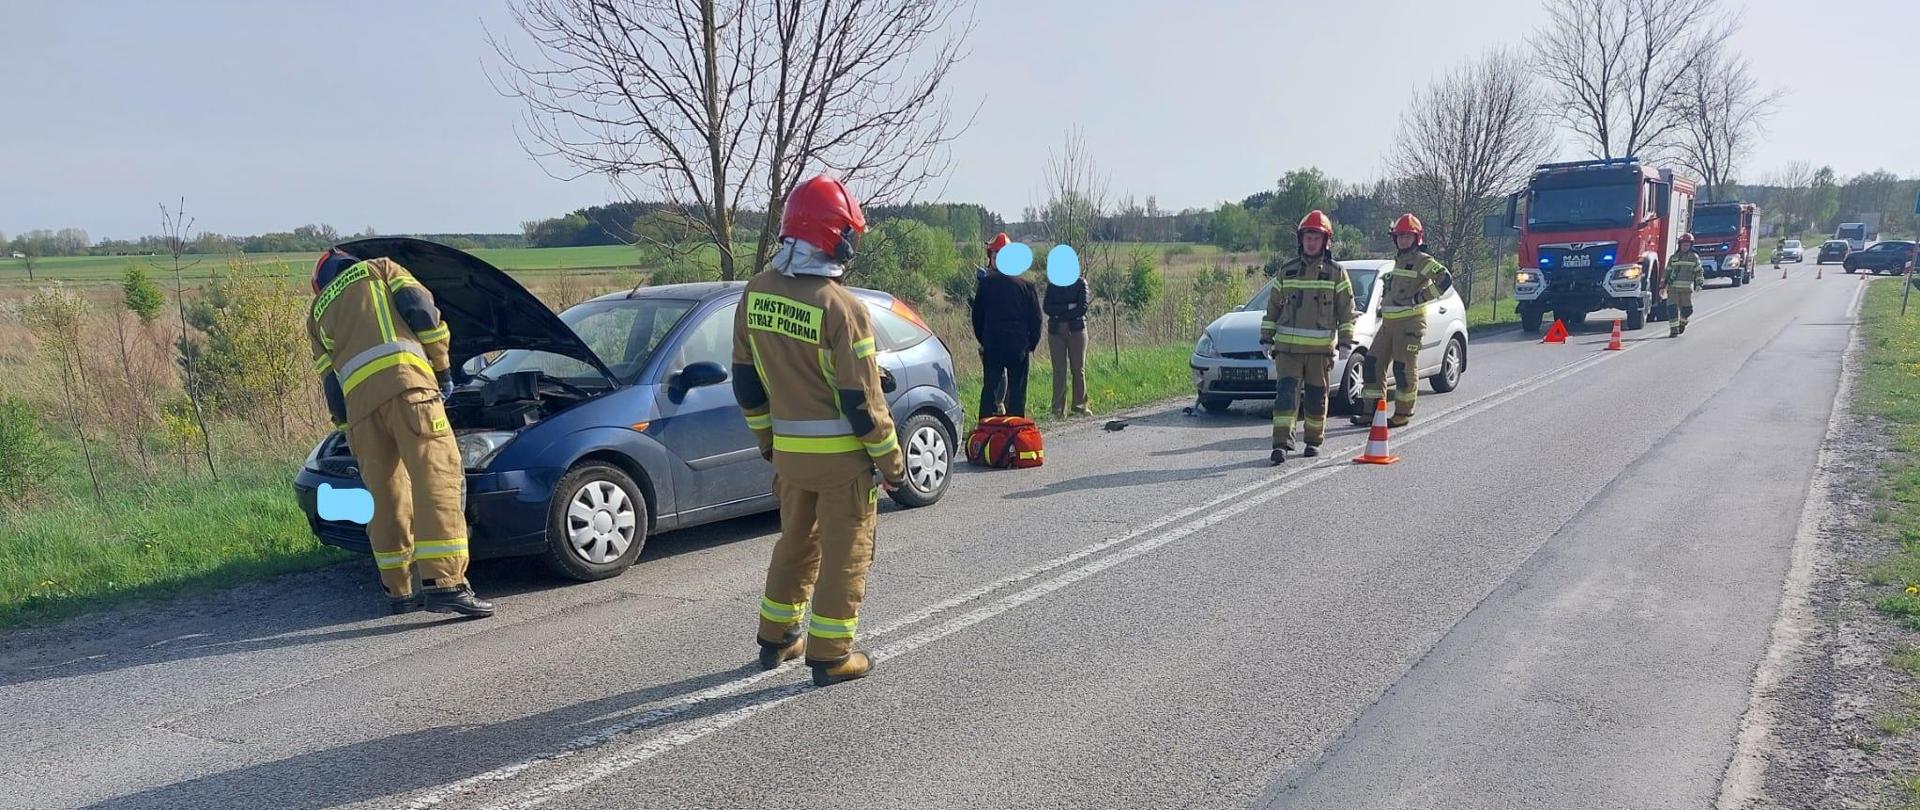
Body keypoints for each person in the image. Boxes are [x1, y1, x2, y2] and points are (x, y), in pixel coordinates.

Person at [732, 175, 906, 687]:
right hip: (842, 465)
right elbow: (862, 403)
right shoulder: (842, 308)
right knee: (846, 554)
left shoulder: (755, 293)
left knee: (796, 544)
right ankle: (831, 656)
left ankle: (777, 637)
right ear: (836, 238)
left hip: (789, 458)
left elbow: (746, 382)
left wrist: (767, 441)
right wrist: (893, 466)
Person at [307, 247, 494, 618]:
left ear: (321, 284)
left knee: (385, 497)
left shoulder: (317, 314)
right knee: (436, 479)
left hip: (361, 415)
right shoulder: (380, 269)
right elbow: (422, 312)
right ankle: (446, 584)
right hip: (409, 389)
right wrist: (442, 369)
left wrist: (348, 427)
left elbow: (331, 382)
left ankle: (400, 590)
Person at [1260, 210, 1356, 465]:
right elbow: (1273, 308)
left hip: (1319, 352)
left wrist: (1346, 341)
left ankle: (1313, 441)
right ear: (1300, 240)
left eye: (1316, 238)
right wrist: (1266, 337)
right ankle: (1281, 444)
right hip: (1288, 351)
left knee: (1316, 397)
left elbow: (1347, 311)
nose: (1311, 243)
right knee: (1285, 397)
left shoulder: (1336, 273)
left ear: (1325, 241)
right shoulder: (1287, 271)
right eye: (1307, 238)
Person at [1353, 214, 1453, 428]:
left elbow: (1445, 279)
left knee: (1403, 368)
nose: (1403, 240)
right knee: (1372, 363)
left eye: (1408, 236)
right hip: (1388, 325)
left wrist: (1420, 298)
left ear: (1417, 238)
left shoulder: (1422, 260)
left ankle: (1402, 413)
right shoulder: (1398, 261)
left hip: (1409, 325)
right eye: (1400, 236)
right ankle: (1372, 412)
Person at [971, 232, 1042, 418]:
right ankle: (1016, 428)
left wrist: (985, 340)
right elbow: (1036, 320)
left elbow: (977, 317)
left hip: (993, 347)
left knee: (990, 390)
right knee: (1017, 394)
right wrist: (1030, 345)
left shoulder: (986, 285)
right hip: (1018, 348)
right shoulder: (1026, 286)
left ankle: (986, 428)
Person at [1043, 266, 1090, 417]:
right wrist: (1069, 307)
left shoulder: (1081, 283)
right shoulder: (1052, 285)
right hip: (1056, 332)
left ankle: (1080, 405)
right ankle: (1057, 409)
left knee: (1078, 368)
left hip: (1077, 330)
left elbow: (1082, 308)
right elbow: (1047, 308)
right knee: (1059, 370)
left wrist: (1060, 314)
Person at [1668, 233, 1704, 337]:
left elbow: (1699, 272)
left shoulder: (1694, 258)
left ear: (1691, 246)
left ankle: (1682, 323)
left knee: (1687, 310)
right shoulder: (1674, 258)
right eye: (1683, 245)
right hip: (1673, 289)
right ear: (1680, 245)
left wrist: (1699, 284)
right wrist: (1663, 283)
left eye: (1687, 245)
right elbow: (1667, 271)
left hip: (1686, 290)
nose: (1685, 247)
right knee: (1672, 309)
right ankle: (1673, 330)